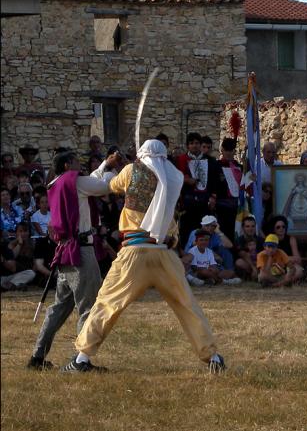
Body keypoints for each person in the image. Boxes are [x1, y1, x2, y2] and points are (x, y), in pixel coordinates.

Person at [67, 139, 226, 373]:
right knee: (186, 304)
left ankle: (82, 358)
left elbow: (108, 185)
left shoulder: (132, 170)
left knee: (108, 303)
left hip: (134, 253)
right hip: (164, 253)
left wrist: (110, 165)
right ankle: (212, 357)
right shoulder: (173, 177)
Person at [26, 150, 117, 370]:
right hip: (80, 251)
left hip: (66, 249)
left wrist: (105, 162)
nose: (80, 165)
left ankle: (37, 357)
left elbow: (90, 180)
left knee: (59, 307)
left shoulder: (58, 183)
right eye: (76, 161)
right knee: (89, 306)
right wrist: (113, 170)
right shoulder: (75, 182)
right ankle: (81, 361)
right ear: (67, 165)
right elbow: (104, 186)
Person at [174, 132, 214, 248]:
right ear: (188, 146)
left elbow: (213, 181)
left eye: (197, 143)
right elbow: (175, 177)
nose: (194, 146)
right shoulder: (181, 159)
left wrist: (213, 196)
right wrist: (185, 180)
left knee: (202, 229)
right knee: (186, 229)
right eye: (191, 143)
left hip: (203, 200)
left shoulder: (209, 160)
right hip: (188, 200)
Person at [212, 138, 243, 240]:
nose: (229, 153)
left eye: (231, 150)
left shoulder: (240, 167)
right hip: (222, 206)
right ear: (222, 150)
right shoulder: (216, 166)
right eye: (227, 150)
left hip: (237, 206)